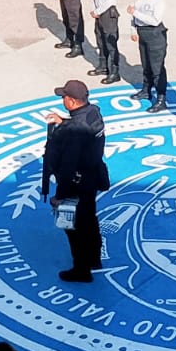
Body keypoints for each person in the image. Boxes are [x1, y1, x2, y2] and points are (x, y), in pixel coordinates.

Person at [42, 80, 109, 282]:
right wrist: (63, 121)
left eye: (64, 97)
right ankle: (94, 258)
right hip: (92, 178)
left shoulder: (74, 132)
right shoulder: (93, 112)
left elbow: (68, 166)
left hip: (76, 183)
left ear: (71, 101)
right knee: (90, 220)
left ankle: (81, 270)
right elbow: (81, 126)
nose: (62, 99)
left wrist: (60, 196)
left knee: (75, 228)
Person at [127, 0, 168, 113]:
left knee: (157, 69)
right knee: (146, 65)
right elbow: (133, 15)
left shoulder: (159, 1)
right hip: (142, 33)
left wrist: (136, 13)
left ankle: (161, 98)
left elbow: (155, 20)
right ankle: (146, 89)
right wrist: (133, 29)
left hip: (155, 35)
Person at [88, 0, 121, 85]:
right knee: (100, 40)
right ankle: (103, 66)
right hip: (99, 13)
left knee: (110, 43)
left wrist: (98, 11)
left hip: (108, 14)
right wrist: (94, 9)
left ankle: (115, 72)